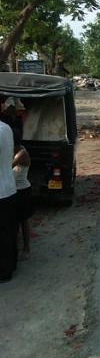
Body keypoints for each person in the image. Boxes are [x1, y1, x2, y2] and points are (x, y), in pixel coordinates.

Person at [0, 118, 17, 282]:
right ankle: (12, 264)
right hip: (10, 187)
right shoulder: (6, 128)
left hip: (1, 192)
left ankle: (4, 271)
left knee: (3, 234)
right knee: (10, 230)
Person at [12, 130, 32, 259]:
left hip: (22, 191)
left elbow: (8, 167)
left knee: (23, 221)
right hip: (13, 190)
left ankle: (26, 248)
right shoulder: (15, 151)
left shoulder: (21, 154)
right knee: (13, 221)